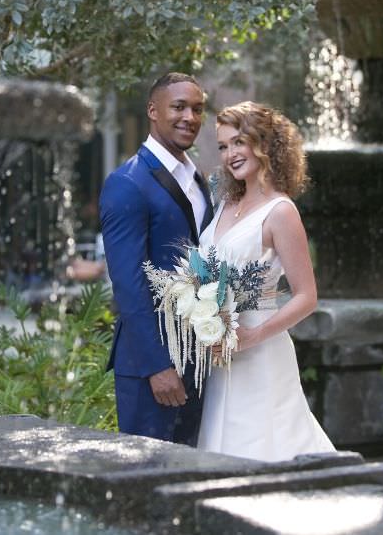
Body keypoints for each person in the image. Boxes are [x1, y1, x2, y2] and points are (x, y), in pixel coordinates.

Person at [198, 101, 334, 460]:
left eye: (239, 142)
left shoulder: (281, 212)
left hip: (261, 354)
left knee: (262, 451)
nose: (230, 154)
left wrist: (254, 336)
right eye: (224, 146)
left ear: (264, 143)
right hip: (219, 355)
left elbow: (307, 296)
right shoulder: (226, 202)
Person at [99, 72, 213, 445]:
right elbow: (129, 284)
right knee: (145, 479)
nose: (190, 117)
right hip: (152, 365)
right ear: (153, 110)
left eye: (198, 109)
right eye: (178, 107)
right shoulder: (127, 182)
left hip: (199, 355)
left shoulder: (197, 178)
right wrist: (158, 366)